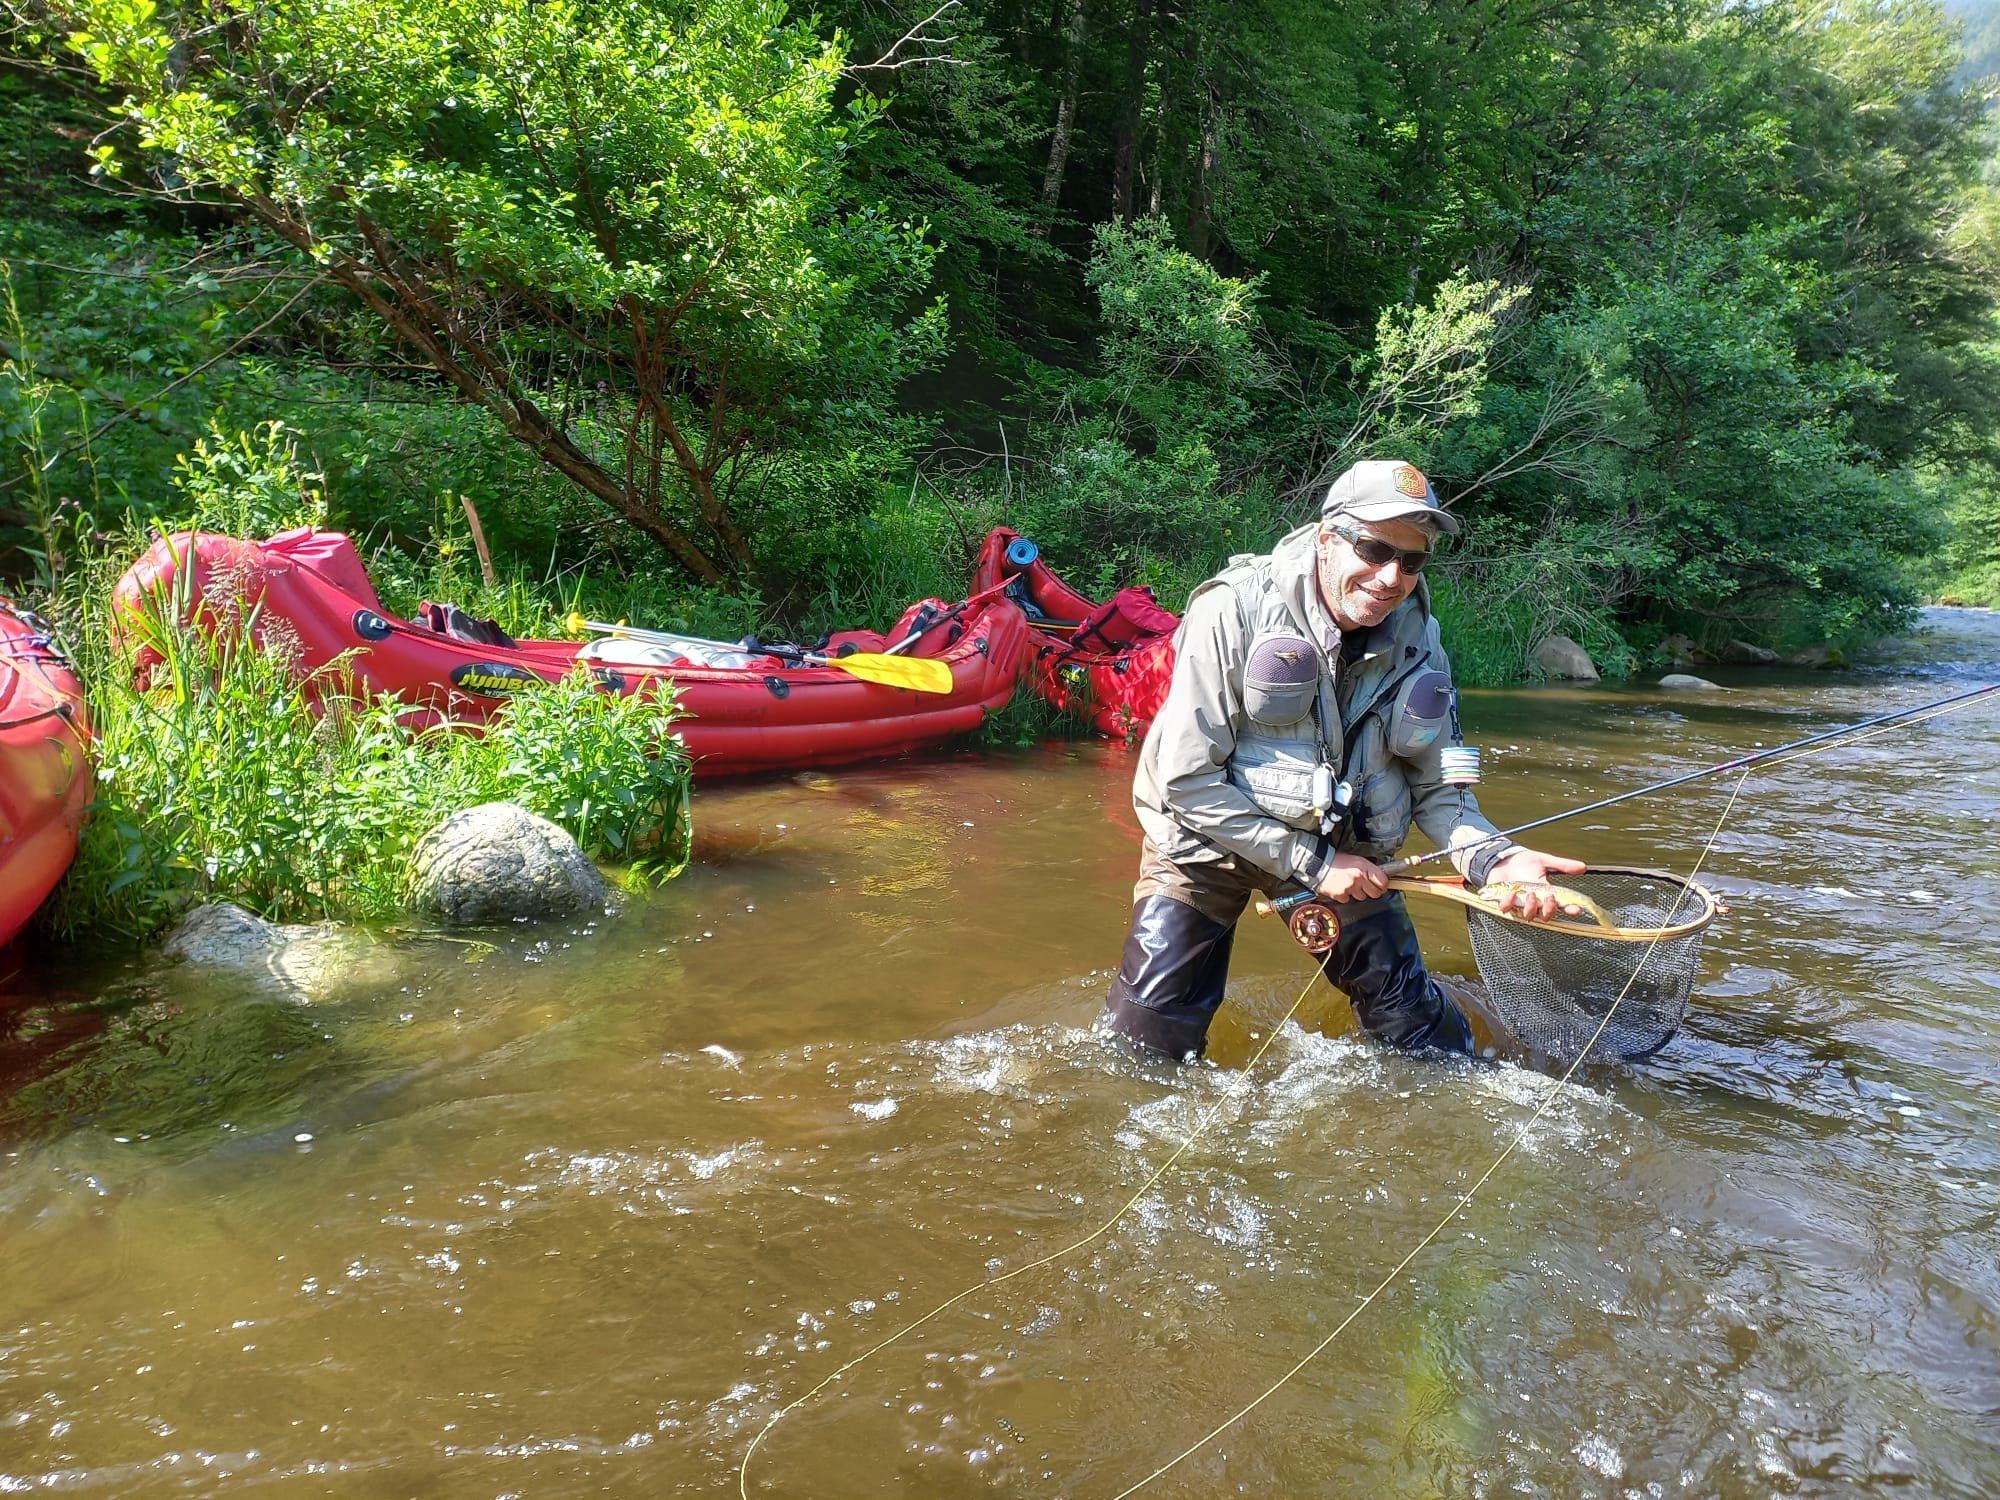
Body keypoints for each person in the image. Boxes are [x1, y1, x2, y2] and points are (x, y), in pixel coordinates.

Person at [1101, 459, 1585, 1059]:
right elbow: (1185, 781)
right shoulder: (1231, 609)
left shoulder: (1424, 638)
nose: (1391, 578)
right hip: (1203, 843)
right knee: (1143, 1046)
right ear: (1329, 539)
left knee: (1426, 1039)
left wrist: (1495, 856)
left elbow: (1447, 781)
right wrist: (1312, 861)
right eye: (1376, 549)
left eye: (1412, 561)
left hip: (1342, 849)